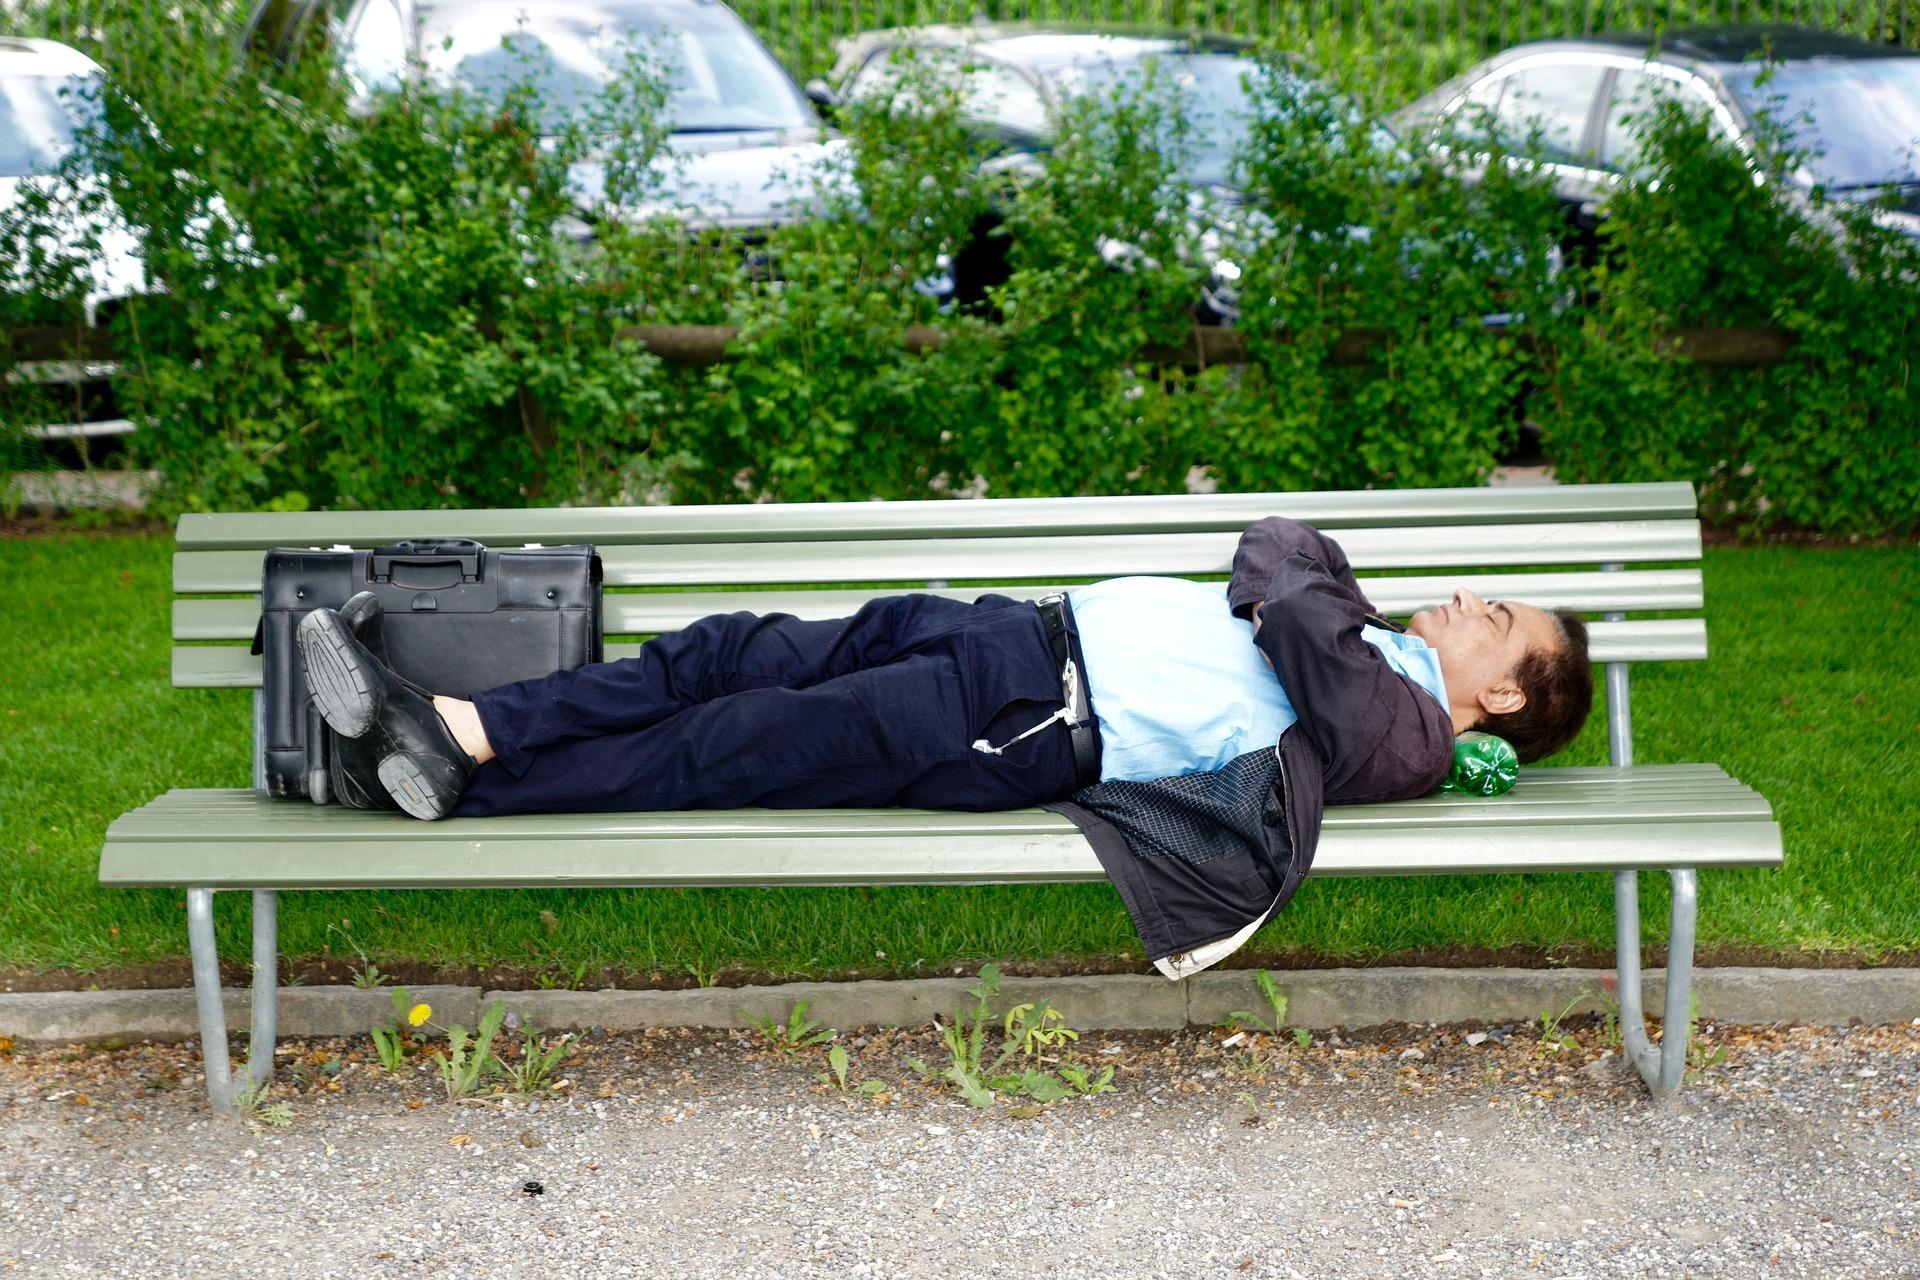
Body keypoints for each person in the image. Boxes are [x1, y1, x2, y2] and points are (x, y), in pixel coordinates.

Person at [298, 516, 1593, 978]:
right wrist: (1303, 604)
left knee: (728, 744)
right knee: (729, 651)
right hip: (1012, 636)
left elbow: (1295, 595)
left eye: (1502, 622)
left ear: (1505, 702)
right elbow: (1277, 546)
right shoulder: (1365, 643)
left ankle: (446, 783)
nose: (1476, 602)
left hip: (1026, 721)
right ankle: (460, 729)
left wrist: (1306, 607)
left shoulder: (1408, 729)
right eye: (1489, 595)